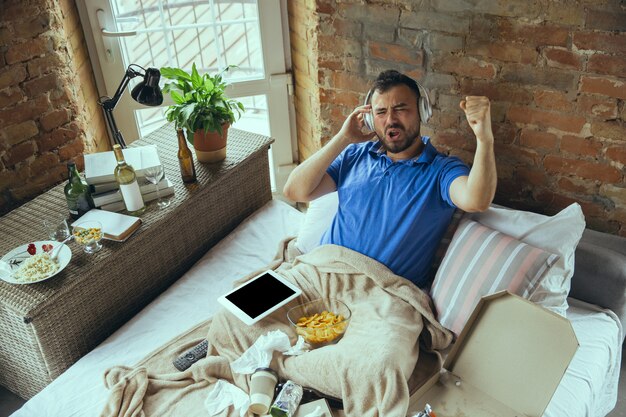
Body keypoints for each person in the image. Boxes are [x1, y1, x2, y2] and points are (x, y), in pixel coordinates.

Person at [283, 70, 497, 288]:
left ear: (422, 112)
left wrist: (484, 138)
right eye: (381, 112)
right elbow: (295, 191)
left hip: (383, 291)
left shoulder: (441, 170)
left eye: (401, 109)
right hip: (323, 272)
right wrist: (343, 138)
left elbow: (477, 200)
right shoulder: (354, 155)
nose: (391, 120)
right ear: (369, 118)